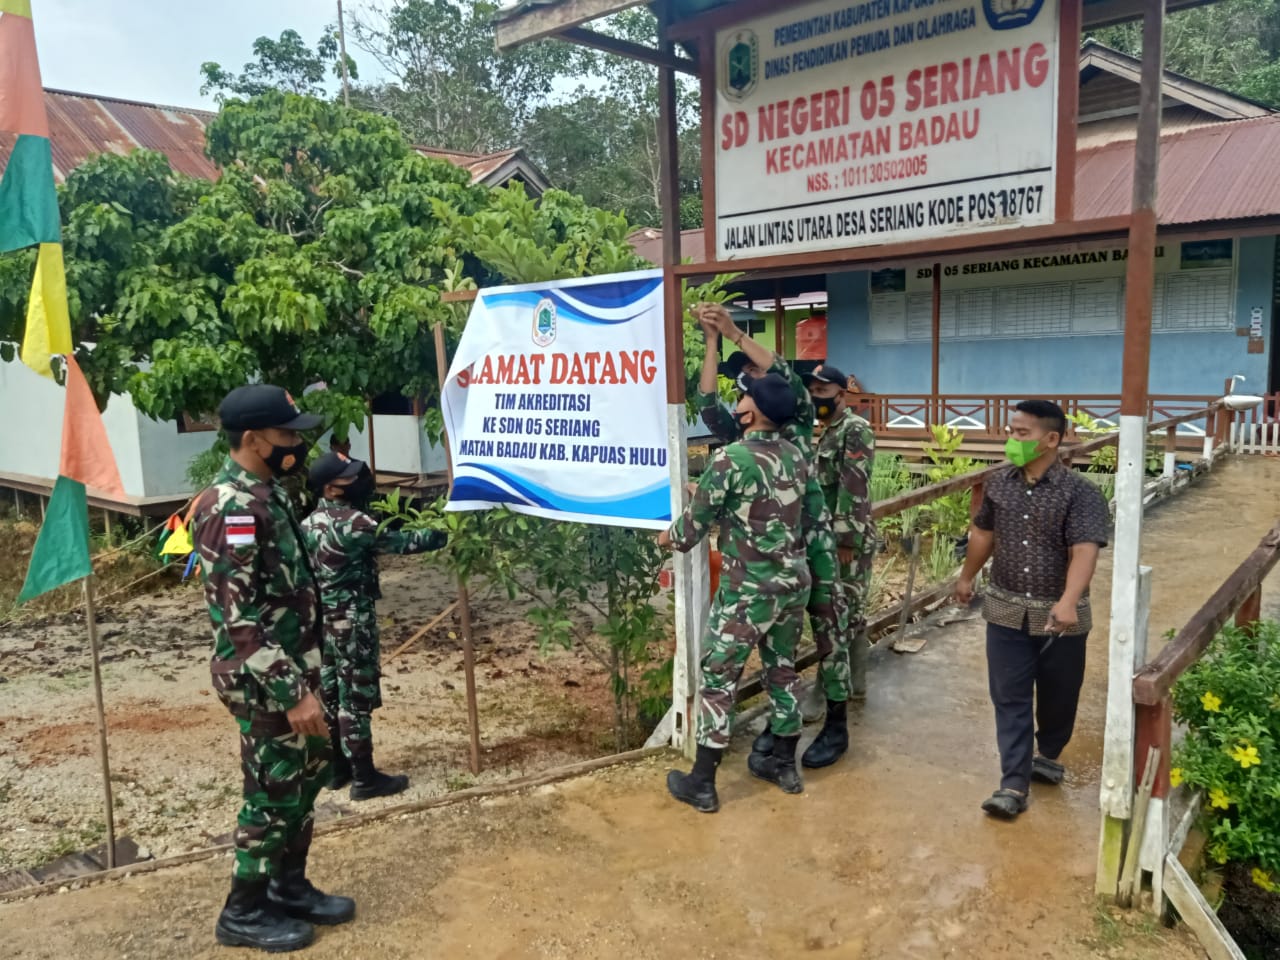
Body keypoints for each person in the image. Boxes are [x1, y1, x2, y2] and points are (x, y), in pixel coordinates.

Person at [191, 384, 353, 953]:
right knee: (272, 790)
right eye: (287, 435)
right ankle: (243, 909)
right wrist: (291, 693)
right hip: (264, 683)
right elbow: (238, 617)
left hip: (295, 672)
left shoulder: (267, 492)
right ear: (254, 439)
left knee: (306, 777)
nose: (296, 444)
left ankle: (289, 886)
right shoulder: (227, 506)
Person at [693, 304, 853, 769]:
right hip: (769, 559)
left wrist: (733, 333)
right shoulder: (738, 440)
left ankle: (837, 725)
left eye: (750, 388)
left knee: (829, 633)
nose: (742, 396)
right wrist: (709, 345)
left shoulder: (797, 420)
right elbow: (706, 407)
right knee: (777, 651)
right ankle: (779, 733)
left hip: (812, 546)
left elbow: (782, 370)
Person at [661, 373, 820, 812]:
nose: (738, 401)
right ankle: (784, 766)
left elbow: (691, 529)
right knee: (783, 672)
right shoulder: (796, 455)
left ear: (751, 412)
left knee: (717, 680)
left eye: (743, 395)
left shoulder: (730, 459)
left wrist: (665, 536)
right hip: (792, 585)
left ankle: (703, 783)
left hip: (746, 593)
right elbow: (784, 509)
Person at [953, 399, 1110, 819]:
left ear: (1051, 439)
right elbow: (983, 534)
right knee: (1009, 696)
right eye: (1012, 431)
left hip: (1060, 617)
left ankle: (1050, 750)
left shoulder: (1081, 494)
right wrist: (967, 576)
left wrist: (1068, 601)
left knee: (1059, 696)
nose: (1012, 440)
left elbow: (1084, 550)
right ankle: (1013, 784)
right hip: (1004, 609)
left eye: (1022, 434)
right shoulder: (999, 484)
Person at [301, 452, 446, 800]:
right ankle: (365, 779)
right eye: (349, 478)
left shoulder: (307, 524)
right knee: (356, 698)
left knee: (332, 693)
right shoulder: (356, 523)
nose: (360, 482)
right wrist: (450, 527)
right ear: (332, 489)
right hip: (353, 621)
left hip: (321, 622)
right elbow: (410, 542)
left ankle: (336, 770)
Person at [804, 363, 877, 699]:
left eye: (823, 392)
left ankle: (826, 691)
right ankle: (856, 685)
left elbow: (854, 484)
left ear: (841, 395)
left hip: (846, 541)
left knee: (839, 612)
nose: (816, 397)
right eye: (813, 392)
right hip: (825, 539)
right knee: (847, 610)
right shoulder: (825, 431)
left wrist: (846, 538)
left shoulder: (855, 428)